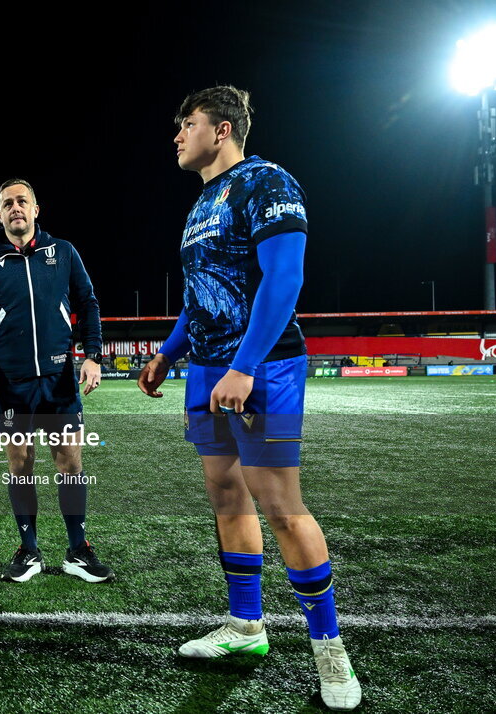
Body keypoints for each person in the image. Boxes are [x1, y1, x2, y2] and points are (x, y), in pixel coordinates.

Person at [137, 86, 361, 710]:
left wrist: (244, 366)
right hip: (207, 369)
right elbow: (199, 295)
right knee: (226, 494)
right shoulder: (202, 201)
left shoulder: (268, 181)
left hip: (261, 367)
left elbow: (285, 278)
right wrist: (168, 352)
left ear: (224, 128)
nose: (177, 135)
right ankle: (245, 627)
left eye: (187, 123)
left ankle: (330, 652)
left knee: (281, 505)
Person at [0, 179, 115, 584]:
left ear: (36, 209)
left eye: (22, 201)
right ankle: (28, 550)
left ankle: (78, 549)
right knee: (20, 464)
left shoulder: (62, 252)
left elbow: (88, 302)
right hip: (11, 383)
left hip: (60, 379)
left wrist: (93, 355)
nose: (16, 208)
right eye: (7, 203)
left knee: (70, 463)